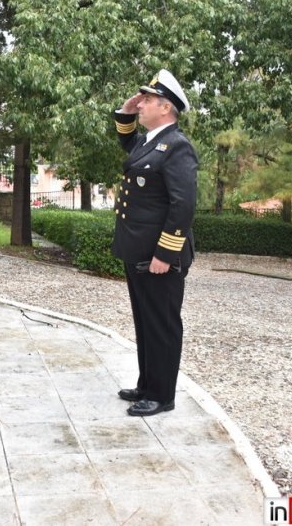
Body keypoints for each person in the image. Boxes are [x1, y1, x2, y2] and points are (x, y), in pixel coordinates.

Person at [111, 69, 198, 417]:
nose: (141, 104)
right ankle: (147, 384)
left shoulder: (178, 146)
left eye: (147, 100)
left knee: (161, 324)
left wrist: (165, 252)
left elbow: (183, 204)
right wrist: (125, 112)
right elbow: (128, 145)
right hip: (138, 251)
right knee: (145, 322)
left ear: (165, 107)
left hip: (159, 256)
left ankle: (162, 395)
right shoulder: (150, 143)